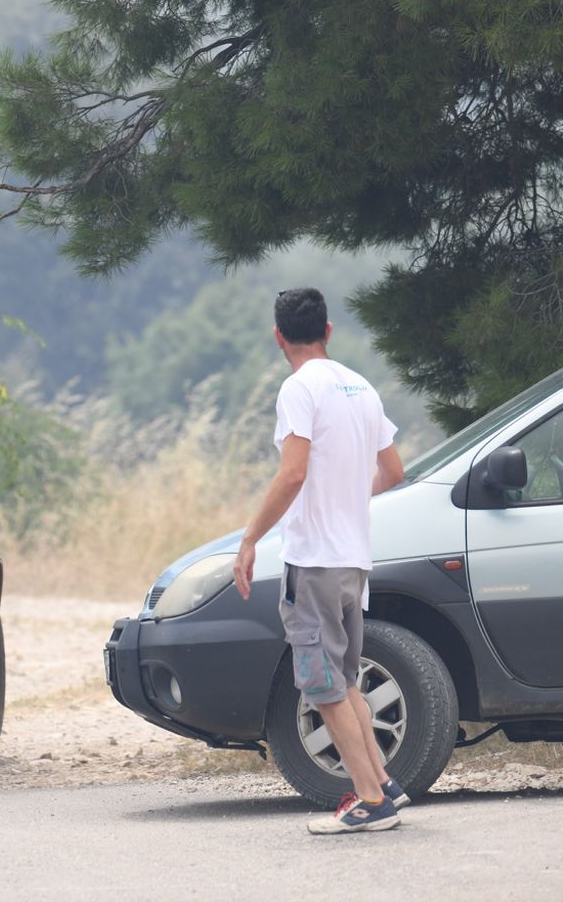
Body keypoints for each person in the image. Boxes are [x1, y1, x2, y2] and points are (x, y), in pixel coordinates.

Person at [232, 289, 406, 834]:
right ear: (328, 331)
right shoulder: (362, 387)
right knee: (345, 680)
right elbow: (394, 472)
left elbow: (292, 473)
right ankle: (385, 785)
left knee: (324, 688)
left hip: (314, 564)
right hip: (354, 562)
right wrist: (348, 498)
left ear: (278, 337)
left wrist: (250, 539)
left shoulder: (298, 388)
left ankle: (370, 801)